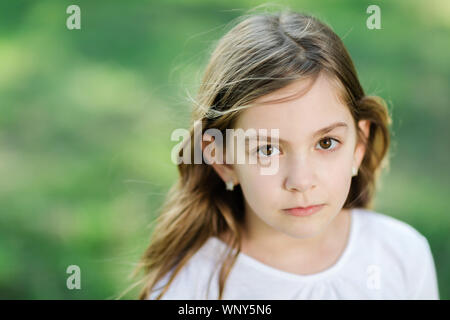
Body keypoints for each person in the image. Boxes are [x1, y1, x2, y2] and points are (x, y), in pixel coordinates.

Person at [134, 9, 439, 300]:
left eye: (327, 143)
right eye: (267, 150)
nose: (302, 181)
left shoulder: (401, 253)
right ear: (224, 161)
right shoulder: (192, 286)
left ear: (359, 145)